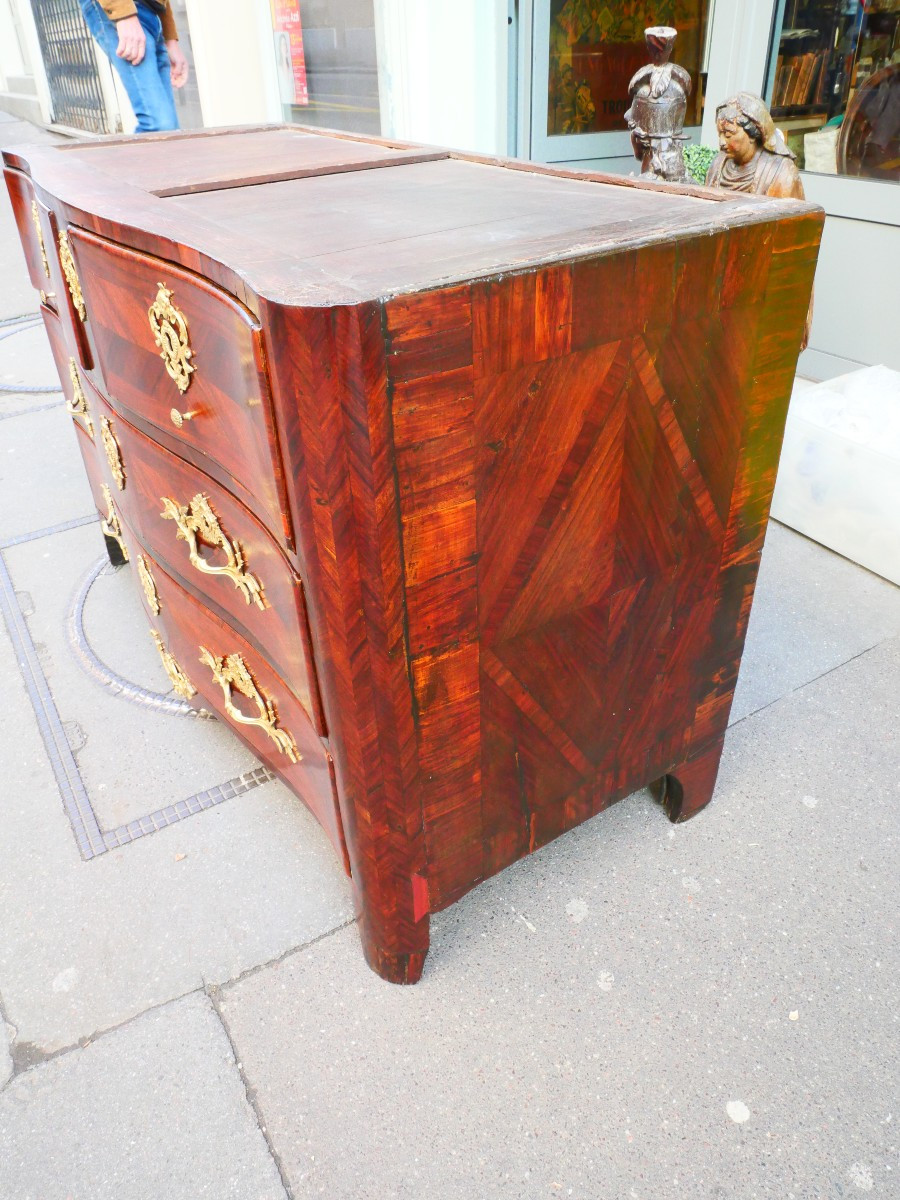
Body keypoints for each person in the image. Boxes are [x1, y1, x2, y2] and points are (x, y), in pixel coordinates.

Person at [78, 0, 188, 133]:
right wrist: (123, 13)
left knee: (171, 132)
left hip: (153, 12)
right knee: (159, 126)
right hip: (124, 10)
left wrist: (170, 38)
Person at [705, 92, 804, 199]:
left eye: (728, 134)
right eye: (720, 134)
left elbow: (790, 212)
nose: (722, 142)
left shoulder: (781, 171)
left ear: (753, 133)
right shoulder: (718, 163)